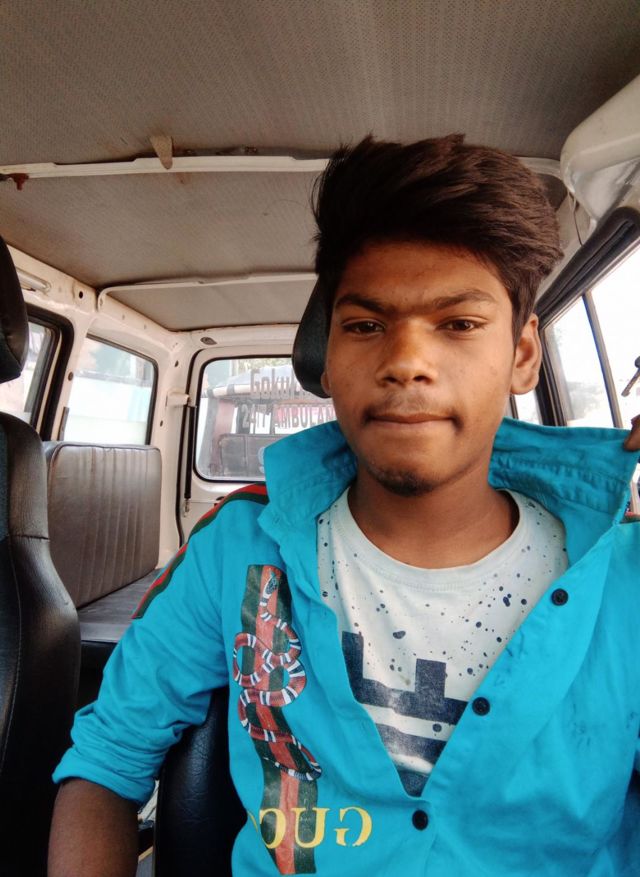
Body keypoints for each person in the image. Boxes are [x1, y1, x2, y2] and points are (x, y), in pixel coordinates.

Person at [49, 136, 640, 877]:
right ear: (327, 357)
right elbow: (106, 759)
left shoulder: (623, 576)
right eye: (365, 326)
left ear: (523, 355)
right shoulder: (238, 548)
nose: (406, 362)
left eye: (458, 324)